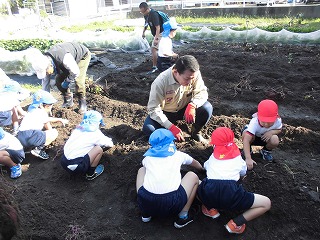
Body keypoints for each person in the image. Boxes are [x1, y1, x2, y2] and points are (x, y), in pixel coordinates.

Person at [197, 127, 271, 234]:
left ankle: (210, 209)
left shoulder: (212, 157)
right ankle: (235, 223)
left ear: (214, 145)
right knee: (266, 203)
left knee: (198, 185)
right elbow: (243, 172)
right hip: (231, 194)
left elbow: (206, 167)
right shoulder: (237, 158)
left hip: (209, 192)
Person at [136, 128, 204, 228]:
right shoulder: (179, 155)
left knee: (142, 170)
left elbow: (147, 168)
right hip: (172, 202)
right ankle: (183, 216)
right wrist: (202, 169)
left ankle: (146, 214)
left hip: (146, 201)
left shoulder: (147, 158)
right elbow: (195, 163)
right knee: (192, 176)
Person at [142, 55, 213, 143]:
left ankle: (196, 133)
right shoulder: (160, 82)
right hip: (166, 112)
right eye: (187, 79)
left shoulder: (193, 74)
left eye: (192, 78)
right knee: (149, 129)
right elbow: (154, 109)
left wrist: (193, 105)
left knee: (206, 108)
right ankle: (169, 138)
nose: (190, 82)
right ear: (176, 72)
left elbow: (202, 92)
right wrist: (170, 127)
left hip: (185, 109)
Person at [31, 42, 91, 114]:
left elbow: (75, 72)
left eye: (46, 72)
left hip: (82, 56)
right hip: (68, 60)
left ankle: (82, 103)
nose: (47, 74)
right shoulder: (44, 63)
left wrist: (68, 80)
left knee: (79, 81)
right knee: (58, 80)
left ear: (50, 65)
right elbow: (45, 84)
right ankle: (68, 101)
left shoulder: (64, 59)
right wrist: (45, 100)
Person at [60, 110, 114, 180]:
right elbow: (110, 144)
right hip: (76, 166)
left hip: (64, 161)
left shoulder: (79, 127)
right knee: (98, 149)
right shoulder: (95, 133)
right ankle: (90, 174)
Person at [17, 90, 68, 160]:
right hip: (30, 135)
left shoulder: (31, 111)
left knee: (38, 134)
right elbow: (47, 123)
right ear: (41, 105)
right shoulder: (41, 112)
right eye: (49, 106)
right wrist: (59, 121)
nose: (50, 107)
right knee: (54, 133)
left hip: (21, 136)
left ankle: (26, 149)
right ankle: (38, 149)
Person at [242, 99, 282, 170]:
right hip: (252, 137)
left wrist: (271, 132)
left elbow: (279, 129)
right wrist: (248, 158)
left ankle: (265, 151)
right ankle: (248, 151)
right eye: (263, 122)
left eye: (270, 122)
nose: (266, 124)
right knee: (245, 134)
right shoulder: (254, 122)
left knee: (275, 139)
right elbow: (246, 139)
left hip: (264, 138)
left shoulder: (277, 121)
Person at [139, 2, 165, 74]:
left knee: (153, 49)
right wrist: (143, 32)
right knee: (159, 49)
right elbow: (146, 24)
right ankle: (162, 63)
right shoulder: (146, 15)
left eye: (142, 11)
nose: (141, 13)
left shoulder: (154, 14)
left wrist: (156, 39)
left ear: (146, 9)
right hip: (156, 34)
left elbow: (158, 28)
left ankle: (155, 67)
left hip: (161, 33)